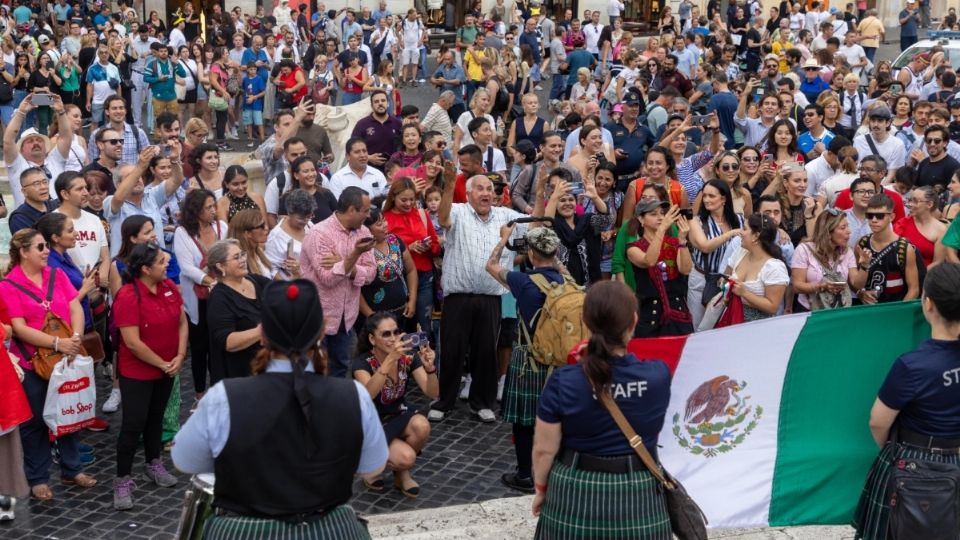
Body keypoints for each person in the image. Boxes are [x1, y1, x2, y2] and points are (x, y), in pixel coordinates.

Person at [172, 278, 388, 538]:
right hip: (329, 530)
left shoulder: (223, 398)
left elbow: (184, 460)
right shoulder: (354, 395)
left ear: (262, 336)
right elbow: (372, 466)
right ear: (321, 332)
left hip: (244, 531)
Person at [532, 280, 672, 538]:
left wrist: (542, 489)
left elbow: (544, 449)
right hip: (638, 490)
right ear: (633, 321)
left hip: (575, 490)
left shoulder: (564, 381)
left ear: (586, 321)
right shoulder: (659, 374)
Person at [853, 262, 960, 540]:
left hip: (912, 461)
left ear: (929, 303)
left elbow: (877, 422)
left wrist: (894, 452)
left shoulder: (912, 366)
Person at [0, 229, 93, 501]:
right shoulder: (8, 285)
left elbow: (75, 304)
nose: (46, 251)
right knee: (37, 421)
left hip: (66, 358)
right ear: (23, 252)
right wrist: (57, 343)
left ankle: (72, 468)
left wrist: (74, 339)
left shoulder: (56, 275)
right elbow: (17, 328)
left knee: (70, 413)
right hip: (33, 363)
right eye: (40, 247)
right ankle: (38, 476)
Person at [429, 167, 524, 423]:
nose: (486, 193)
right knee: (452, 351)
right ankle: (444, 400)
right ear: (469, 193)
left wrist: (543, 192)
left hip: (490, 297)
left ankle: (482, 402)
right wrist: (448, 184)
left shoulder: (504, 215)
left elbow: (533, 226)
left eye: (490, 190)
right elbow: (443, 216)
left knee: (485, 353)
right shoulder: (459, 210)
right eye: (480, 189)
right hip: (458, 296)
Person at [110, 243, 186, 510]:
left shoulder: (169, 288)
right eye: (162, 262)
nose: (168, 265)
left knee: (157, 417)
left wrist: (179, 355)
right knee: (133, 423)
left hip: (166, 367)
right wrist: (164, 363)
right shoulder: (128, 296)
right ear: (145, 268)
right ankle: (122, 479)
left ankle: (153, 463)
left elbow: (181, 322)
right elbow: (132, 342)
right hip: (138, 372)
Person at [353, 311, 437, 497]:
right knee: (407, 457)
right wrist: (390, 360)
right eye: (386, 334)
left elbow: (432, 393)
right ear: (372, 339)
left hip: (398, 413)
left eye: (396, 332)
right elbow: (368, 394)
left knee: (422, 425)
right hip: (371, 423)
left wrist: (430, 368)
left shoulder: (407, 358)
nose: (393, 338)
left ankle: (401, 473)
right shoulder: (363, 363)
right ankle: (372, 467)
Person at [299, 186, 376, 378]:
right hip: (318, 319)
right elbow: (328, 279)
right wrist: (355, 255)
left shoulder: (363, 232)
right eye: (365, 211)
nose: (368, 216)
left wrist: (344, 264)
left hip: (346, 319)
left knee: (341, 369)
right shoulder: (319, 234)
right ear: (351, 210)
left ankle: (336, 406)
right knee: (316, 372)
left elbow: (371, 274)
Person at [173, 189, 227, 401]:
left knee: (219, 345)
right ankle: (199, 394)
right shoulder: (183, 233)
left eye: (214, 206)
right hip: (197, 299)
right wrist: (213, 282)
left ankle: (218, 391)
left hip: (221, 296)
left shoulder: (222, 227)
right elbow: (187, 268)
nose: (214, 211)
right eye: (209, 207)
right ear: (196, 210)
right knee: (199, 347)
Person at [383, 178, 441, 337]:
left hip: (424, 278)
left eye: (412, 199)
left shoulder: (421, 214)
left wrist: (429, 247)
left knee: (423, 329)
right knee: (399, 330)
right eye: (404, 200)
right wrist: (408, 248)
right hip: (398, 280)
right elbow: (381, 252)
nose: (409, 204)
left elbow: (436, 245)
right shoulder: (385, 219)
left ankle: (423, 361)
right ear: (393, 197)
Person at [626, 200, 694, 336]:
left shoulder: (674, 243)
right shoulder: (633, 247)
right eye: (653, 214)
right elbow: (650, 261)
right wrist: (662, 229)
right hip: (650, 315)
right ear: (641, 219)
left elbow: (685, 270)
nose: (660, 217)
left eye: (662, 213)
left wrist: (682, 241)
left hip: (678, 311)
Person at [206, 239, 269, 383]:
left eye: (242, 255)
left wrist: (295, 275)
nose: (243, 260)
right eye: (236, 257)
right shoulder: (219, 298)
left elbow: (282, 293)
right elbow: (228, 342)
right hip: (240, 375)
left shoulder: (254, 280)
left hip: (265, 366)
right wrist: (262, 331)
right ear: (221, 266)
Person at [688, 179, 743, 327]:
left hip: (727, 282)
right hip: (702, 278)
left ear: (724, 198)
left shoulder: (739, 219)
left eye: (711, 196)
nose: (706, 199)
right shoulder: (696, 221)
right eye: (704, 195)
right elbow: (705, 246)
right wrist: (730, 234)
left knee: (721, 326)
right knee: (698, 326)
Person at [790, 209, 868, 311]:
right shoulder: (804, 249)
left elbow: (856, 284)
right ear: (827, 231)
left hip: (838, 311)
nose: (849, 231)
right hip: (810, 311)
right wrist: (821, 287)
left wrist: (865, 265)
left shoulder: (847, 252)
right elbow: (796, 286)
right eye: (843, 227)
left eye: (848, 226)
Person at [855, 194, 921, 305]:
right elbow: (855, 281)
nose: (874, 220)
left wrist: (898, 314)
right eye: (870, 215)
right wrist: (860, 292)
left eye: (880, 216)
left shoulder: (904, 248)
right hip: (867, 311)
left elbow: (914, 289)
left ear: (891, 217)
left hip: (894, 311)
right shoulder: (862, 244)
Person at [722, 213, 790, 320]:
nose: (740, 232)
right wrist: (725, 288)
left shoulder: (775, 267)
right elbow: (726, 276)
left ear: (756, 236)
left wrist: (744, 293)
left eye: (744, 229)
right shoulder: (740, 251)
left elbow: (772, 307)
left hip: (757, 326)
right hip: (730, 316)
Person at [358, 206, 418, 328]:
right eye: (379, 224)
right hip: (377, 320)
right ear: (366, 230)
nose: (385, 225)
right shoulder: (362, 252)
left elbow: (411, 270)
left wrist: (412, 300)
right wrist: (371, 316)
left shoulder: (395, 240)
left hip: (404, 311)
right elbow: (355, 289)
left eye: (384, 220)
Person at [895, 186, 946, 268]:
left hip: (925, 276)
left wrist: (917, 276)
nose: (910, 204)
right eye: (910, 200)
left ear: (929, 204)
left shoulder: (941, 230)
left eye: (915, 201)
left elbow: (938, 262)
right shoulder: (902, 223)